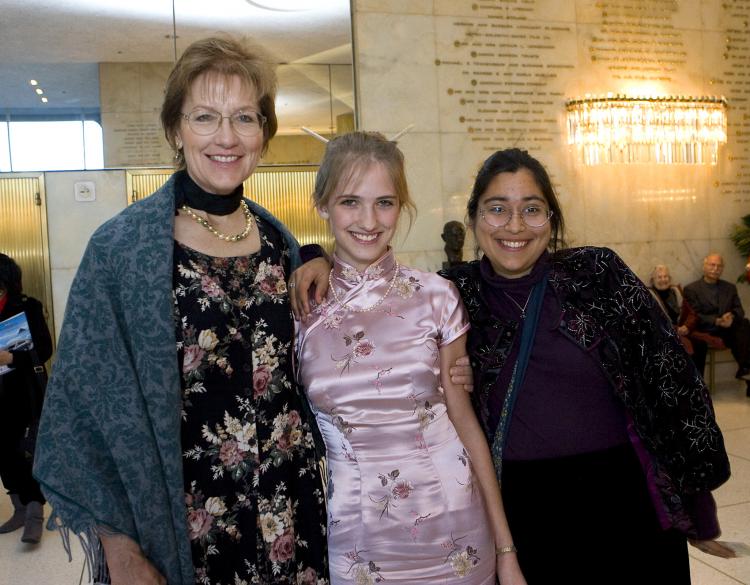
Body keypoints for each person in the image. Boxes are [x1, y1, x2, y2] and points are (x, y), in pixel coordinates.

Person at [291, 148, 734, 584]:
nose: (515, 226)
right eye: (497, 209)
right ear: (475, 219)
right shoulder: (455, 291)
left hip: (621, 498)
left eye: (532, 209)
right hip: (522, 507)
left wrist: (698, 499)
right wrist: (313, 255)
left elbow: (672, 382)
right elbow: (378, 298)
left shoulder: (597, 274)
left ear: (552, 220)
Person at [33, 37, 329, 585]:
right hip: (186, 530)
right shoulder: (122, 251)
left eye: (244, 117)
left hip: (289, 515)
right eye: (205, 117)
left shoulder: (279, 243)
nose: (226, 136)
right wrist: (120, 552)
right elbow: (81, 410)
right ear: (175, 130)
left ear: (263, 134)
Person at [295, 132, 525, 584]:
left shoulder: (437, 297)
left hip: (454, 527)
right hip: (355, 541)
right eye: (350, 202)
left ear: (402, 206)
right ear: (321, 204)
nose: (369, 220)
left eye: (385, 202)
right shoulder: (300, 305)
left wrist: (506, 549)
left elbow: (465, 424)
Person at [0, 253, 52, 545]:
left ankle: (34, 514)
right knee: (3, 453)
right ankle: (18, 508)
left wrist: (11, 357)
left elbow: (44, 349)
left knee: (25, 451)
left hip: (21, 392)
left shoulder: (27, 306)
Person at [684, 252, 750, 396]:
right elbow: (694, 315)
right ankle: (746, 369)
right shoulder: (691, 289)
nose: (715, 268)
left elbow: (739, 310)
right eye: (712, 265)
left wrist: (731, 316)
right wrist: (716, 320)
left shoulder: (730, 287)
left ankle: (745, 369)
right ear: (704, 266)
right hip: (705, 329)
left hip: (727, 329)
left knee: (744, 324)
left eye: (719, 266)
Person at [647, 264, 703, 358]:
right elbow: (653, 320)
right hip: (664, 334)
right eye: (659, 277)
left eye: (666, 276)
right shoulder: (649, 295)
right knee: (683, 347)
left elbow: (691, 313)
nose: (663, 280)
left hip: (682, 331)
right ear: (653, 280)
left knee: (701, 344)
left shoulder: (676, 292)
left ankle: (697, 373)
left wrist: (687, 326)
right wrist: (676, 329)